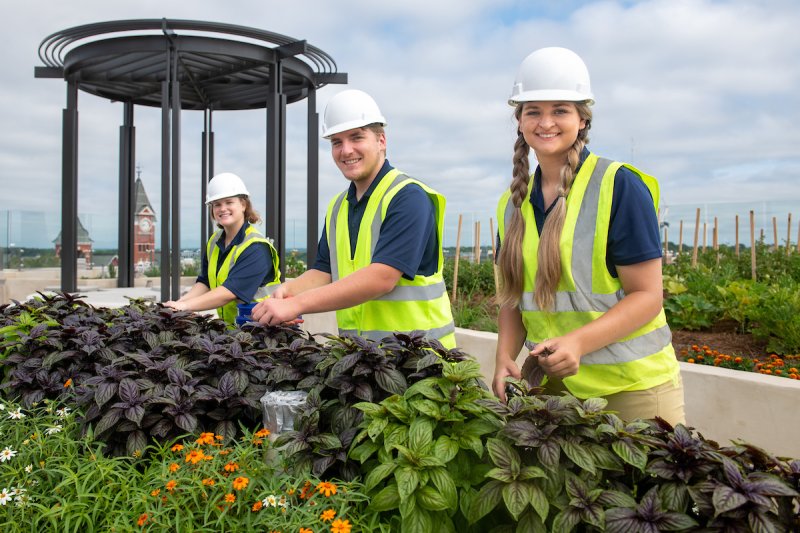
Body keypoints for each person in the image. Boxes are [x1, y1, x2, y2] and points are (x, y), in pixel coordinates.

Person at [492, 47, 685, 425]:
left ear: (582, 119)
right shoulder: (512, 204)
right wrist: (504, 357)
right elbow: (514, 298)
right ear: (519, 121)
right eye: (533, 111)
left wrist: (579, 342)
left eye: (560, 110)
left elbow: (647, 295)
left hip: (632, 391)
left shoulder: (619, 186)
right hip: (554, 388)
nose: (546, 122)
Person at [251, 89, 456, 348]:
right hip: (365, 360)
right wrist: (288, 292)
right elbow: (324, 270)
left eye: (356, 137)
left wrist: (296, 304)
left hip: (420, 361)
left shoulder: (408, 197)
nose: (346, 150)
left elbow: (382, 277)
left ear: (381, 140)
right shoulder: (338, 207)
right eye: (336, 142)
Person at [164, 172, 280, 325]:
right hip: (234, 332)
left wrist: (185, 306)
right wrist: (178, 303)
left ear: (243, 205)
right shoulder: (214, 241)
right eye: (217, 204)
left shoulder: (256, 247)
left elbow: (230, 292)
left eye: (229, 202)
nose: (222, 208)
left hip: (264, 332)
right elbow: (205, 282)